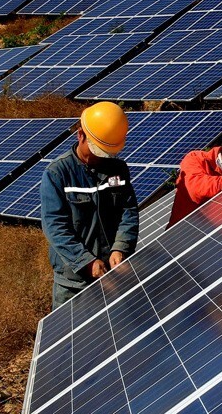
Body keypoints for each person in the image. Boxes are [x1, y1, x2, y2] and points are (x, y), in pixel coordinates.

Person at [41, 101, 139, 309]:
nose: (101, 158)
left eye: (107, 152)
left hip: (112, 278)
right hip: (73, 285)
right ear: (80, 135)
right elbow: (55, 227)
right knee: (70, 340)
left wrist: (120, 248)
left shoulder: (117, 169)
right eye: (97, 150)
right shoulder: (58, 174)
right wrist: (86, 262)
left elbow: (128, 211)